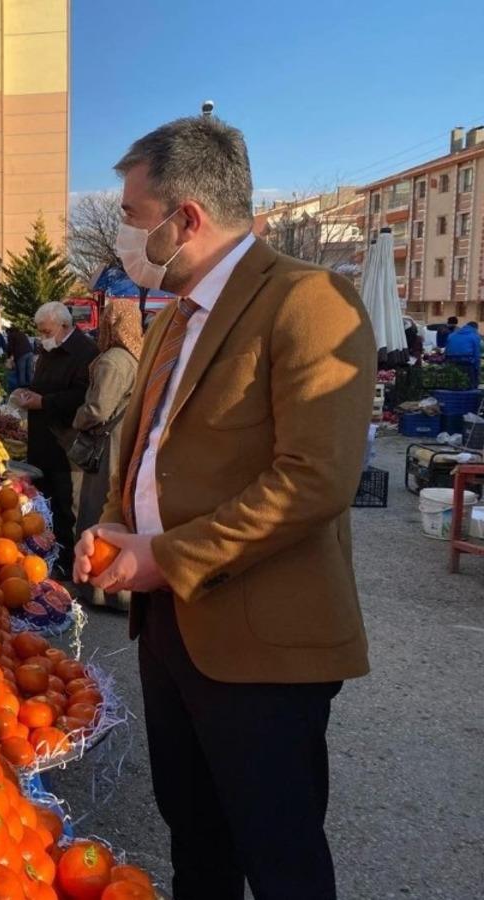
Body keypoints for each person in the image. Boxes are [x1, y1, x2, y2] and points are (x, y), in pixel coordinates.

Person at [73, 116, 375, 900]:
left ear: (187, 218)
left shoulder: (309, 301)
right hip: (170, 629)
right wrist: (114, 524)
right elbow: (149, 448)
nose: (126, 242)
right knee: (195, 842)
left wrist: (163, 554)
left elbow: (315, 479)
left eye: (135, 220)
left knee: (279, 858)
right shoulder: (173, 318)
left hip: (261, 644)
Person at [10, 301, 98, 561]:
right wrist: (27, 392)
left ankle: (68, 559)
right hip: (42, 438)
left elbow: (83, 397)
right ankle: (48, 555)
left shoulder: (85, 352)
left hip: (66, 442)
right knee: (45, 500)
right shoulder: (52, 348)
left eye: (46, 332)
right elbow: (43, 384)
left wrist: (44, 402)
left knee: (64, 503)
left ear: (64, 325)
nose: (42, 338)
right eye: (40, 332)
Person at [73, 300, 142, 540]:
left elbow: (98, 409)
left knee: (98, 505)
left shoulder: (113, 361)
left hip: (107, 445)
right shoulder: (136, 356)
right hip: (125, 438)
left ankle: (91, 565)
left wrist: (77, 419)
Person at [445, 320, 481, 387]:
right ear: (476, 328)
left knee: (454, 381)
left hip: (451, 361)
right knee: (472, 379)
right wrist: (477, 368)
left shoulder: (452, 335)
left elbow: (446, 350)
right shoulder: (475, 336)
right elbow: (476, 354)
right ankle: (472, 390)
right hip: (467, 362)